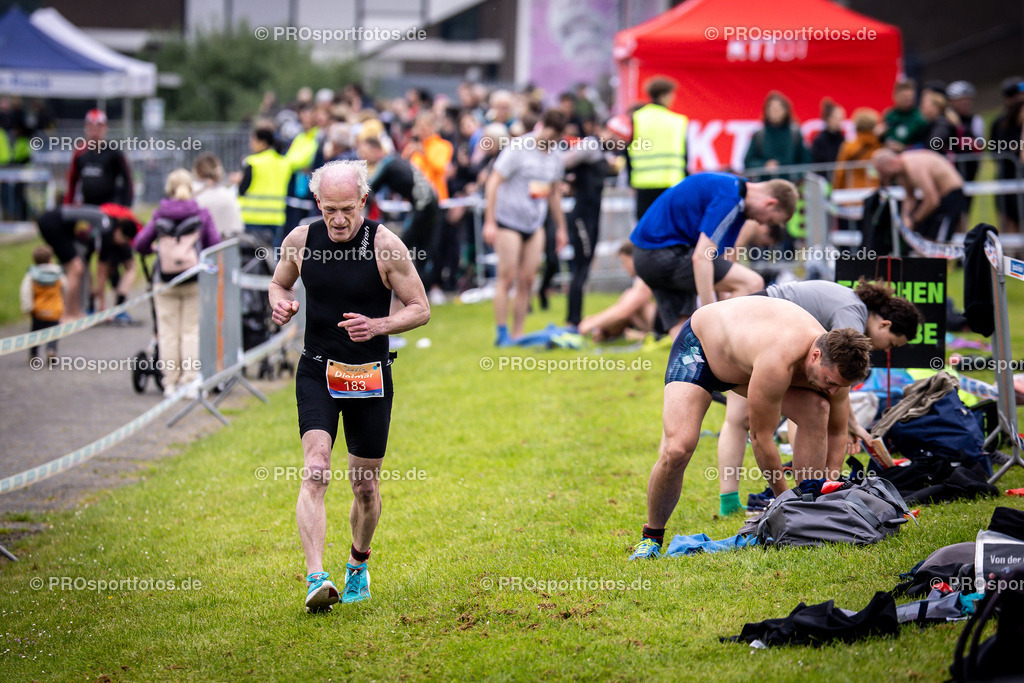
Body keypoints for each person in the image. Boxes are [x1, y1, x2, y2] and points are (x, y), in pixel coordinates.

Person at [268, 160, 430, 613]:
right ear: (318, 203)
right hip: (317, 370)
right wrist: (280, 305)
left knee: (364, 486)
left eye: (347, 210)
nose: (338, 220)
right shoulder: (300, 240)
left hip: (369, 374)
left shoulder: (386, 244)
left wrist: (379, 324)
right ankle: (316, 578)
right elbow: (278, 284)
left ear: (364, 201)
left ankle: (358, 563)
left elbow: (420, 308)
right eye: (329, 210)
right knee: (316, 469)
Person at [629, 297, 872, 559]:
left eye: (839, 386)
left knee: (819, 408)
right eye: (830, 381)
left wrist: (829, 483)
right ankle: (651, 536)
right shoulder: (779, 359)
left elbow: (837, 431)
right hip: (701, 350)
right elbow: (760, 437)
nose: (833, 390)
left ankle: (809, 504)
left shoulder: (836, 370)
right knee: (678, 448)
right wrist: (784, 500)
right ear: (815, 356)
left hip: (744, 362)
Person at [715, 279, 924, 516]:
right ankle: (805, 494)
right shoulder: (852, 317)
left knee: (738, 419)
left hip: (747, 320)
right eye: (892, 344)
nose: (886, 350)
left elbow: (838, 390)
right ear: (885, 325)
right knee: (806, 412)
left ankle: (730, 501)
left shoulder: (852, 305)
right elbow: (840, 383)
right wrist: (847, 425)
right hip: (762, 328)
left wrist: (851, 423)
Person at [629, 172, 797, 338]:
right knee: (752, 282)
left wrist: (719, 304)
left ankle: (689, 363)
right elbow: (701, 258)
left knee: (682, 328)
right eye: (769, 221)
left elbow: (719, 259)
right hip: (663, 252)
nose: (761, 223)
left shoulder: (736, 193)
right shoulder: (731, 197)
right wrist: (711, 315)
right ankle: (726, 346)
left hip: (646, 254)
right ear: (770, 203)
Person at [482, 110, 568, 345]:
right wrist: (489, 221)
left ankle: (518, 333)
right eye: (551, 135)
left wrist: (561, 228)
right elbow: (493, 182)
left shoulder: (555, 155)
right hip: (508, 221)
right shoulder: (518, 148)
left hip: (534, 223)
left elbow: (553, 195)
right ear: (542, 127)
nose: (553, 141)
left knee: (528, 279)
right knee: (506, 276)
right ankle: (502, 332)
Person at [133, 170, 221, 398]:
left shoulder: (159, 214)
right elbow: (215, 244)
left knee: (168, 333)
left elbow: (140, 243)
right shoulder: (201, 214)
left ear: (169, 189)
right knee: (191, 331)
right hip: (193, 280)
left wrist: (157, 250)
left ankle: (169, 383)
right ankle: (189, 382)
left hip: (165, 281)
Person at [357, 136, 441, 301]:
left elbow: (369, 189)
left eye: (366, 154)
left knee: (399, 247)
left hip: (423, 206)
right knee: (423, 248)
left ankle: (394, 291)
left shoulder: (388, 163)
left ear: (377, 151)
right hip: (430, 204)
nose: (364, 160)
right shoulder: (397, 161)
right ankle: (424, 291)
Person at [872, 148, 966, 242]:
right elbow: (909, 197)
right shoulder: (902, 172)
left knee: (939, 240)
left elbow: (932, 200)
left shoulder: (913, 167)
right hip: (938, 199)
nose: (884, 176)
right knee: (926, 237)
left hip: (951, 195)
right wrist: (906, 218)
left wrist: (914, 220)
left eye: (883, 172)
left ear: (891, 163)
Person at [628, 77, 688, 220]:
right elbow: (685, 156)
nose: (673, 98)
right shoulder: (678, 121)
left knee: (645, 232)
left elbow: (627, 150)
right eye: (671, 94)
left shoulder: (636, 118)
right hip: (672, 184)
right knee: (668, 230)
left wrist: (629, 180)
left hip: (643, 185)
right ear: (663, 96)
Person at [577, 241, 656, 342]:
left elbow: (624, 311)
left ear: (633, 258)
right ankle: (605, 332)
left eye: (624, 262)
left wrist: (591, 322)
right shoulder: (642, 277)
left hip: (667, 323)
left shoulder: (645, 276)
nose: (624, 267)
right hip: (660, 322)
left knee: (630, 297)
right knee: (629, 299)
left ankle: (599, 330)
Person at [64, 109, 133, 208]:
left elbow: (127, 180)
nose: (95, 132)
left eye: (99, 128)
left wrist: (125, 206)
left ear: (105, 128)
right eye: (91, 128)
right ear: (86, 128)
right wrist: (68, 205)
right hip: (87, 206)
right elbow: (72, 181)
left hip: (109, 207)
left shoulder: (114, 153)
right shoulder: (80, 153)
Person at [237, 125, 292, 246]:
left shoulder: (252, 162)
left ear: (263, 143)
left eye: (253, 141)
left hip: (252, 217)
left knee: (253, 259)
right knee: (273, 259)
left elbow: (242, 190)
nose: (250, 145)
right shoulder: (284, 163)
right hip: (276, 218)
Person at [744, 92, 810, 180]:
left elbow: (805, 160)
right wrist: (764, 165)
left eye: (778, 108)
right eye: (771, 109)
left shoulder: (794, 134)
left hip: (790, 184)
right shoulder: (760, 135)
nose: (775, 112)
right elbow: (748, 161)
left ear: (785, 110)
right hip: (765, 184)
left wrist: (796, 175)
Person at [91, 203, 141, 322]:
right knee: (105, 272)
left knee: (131, 267)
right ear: (118, 231)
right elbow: (100, 272)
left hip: (117, 232)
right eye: (124, 239)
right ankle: (95, 303)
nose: (124, 242)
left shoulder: (123, 237)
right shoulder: (106, 235)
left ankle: (120, 305)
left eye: (127, 241)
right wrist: (102, 306)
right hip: (101, 242)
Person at [20, 244, 64, 362]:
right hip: (55, 310)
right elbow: (65, 287)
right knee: (54, 332)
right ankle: (51, 350)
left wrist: (27, 308)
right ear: (50, 259)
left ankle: (33, 354)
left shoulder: (31, 275)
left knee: (35, 334)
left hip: (38, 311)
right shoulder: (58, 273)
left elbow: (26, 292)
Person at [193, 153, 243, 238]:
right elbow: (238, 227)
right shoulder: (229, 194)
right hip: (229, 244)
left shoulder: (193, 196)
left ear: (197, 171)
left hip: (203, 245)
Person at [881, 79, 928, 152]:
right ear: (895, 96)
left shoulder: (920, 117)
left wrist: (905, 148)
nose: (907, 100)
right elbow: (884, 137)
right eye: (904, 97)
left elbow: (925, 144)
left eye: (910, 97)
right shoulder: (889, 114)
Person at [811, 99, 846, 174]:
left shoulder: (842, 138)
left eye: (841, 118)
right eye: (837, 118)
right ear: (829, 118)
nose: (839, 121)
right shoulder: (820, 140)